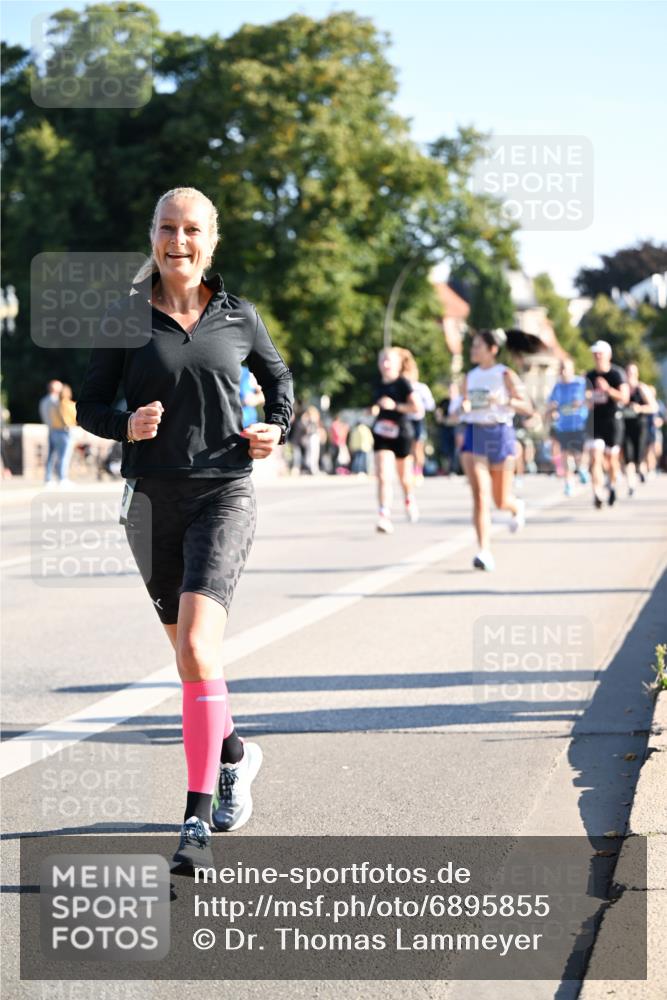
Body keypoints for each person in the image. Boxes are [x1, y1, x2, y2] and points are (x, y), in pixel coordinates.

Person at [76, 186, 293, 873]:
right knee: (189, 659)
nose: (178, 241)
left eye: (191, 229)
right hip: (148, 503)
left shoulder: (238, 316)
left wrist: (274, 429)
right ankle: (234, 756)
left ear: (211, 240)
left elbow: (279, 380)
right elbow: (88, 404)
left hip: (222, 495)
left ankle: (194, 820)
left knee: (199, 648)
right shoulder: (124, 316)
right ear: (153, 237)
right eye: (167, 228)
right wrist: (123, 425)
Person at [459, 329, 532, 572]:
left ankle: (516, 507)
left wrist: (502, 401)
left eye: (478, 346)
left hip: (500, 433)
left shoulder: (505, 374)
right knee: (480, 495)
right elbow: (458, 407)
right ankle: (484, 550)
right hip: (475, 433)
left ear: (493, 349)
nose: (473, 350)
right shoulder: (469, 377)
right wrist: (463, 406)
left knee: (500, 500)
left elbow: (527, 407)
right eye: (473, 346)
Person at [371, 347, 421, 533]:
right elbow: (375, 405)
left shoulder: (403, 384)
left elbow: (416, 407)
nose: (385, 364)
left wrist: (395, 406)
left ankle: (409, 498)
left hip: (401, 433)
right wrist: (374, 410)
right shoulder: (377, 384)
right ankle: (384, 515)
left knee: (404, 478)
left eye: (389, 360)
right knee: (383, 474)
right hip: (382, 432)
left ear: (398, 364)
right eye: (382, 360)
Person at [585, 341, 629, 508]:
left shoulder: (617, 374)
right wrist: (587, 398)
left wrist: (608, 389)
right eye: (594, 353)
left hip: (613, 421)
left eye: (600, 353)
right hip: (594, 421)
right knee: (595, 457)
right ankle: (597, 492)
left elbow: (624, 398)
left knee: (611, 459)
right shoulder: (589, 375)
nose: (597, 356)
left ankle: (611, 485)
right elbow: (585, 399)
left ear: (608, 355)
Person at [547, 358, 589, 496]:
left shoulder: (581, 383)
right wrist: (552, 410)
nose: (563, 371)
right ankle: (569, 484)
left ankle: (582, 468)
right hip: (563, 426)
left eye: (566, 368)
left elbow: (590, 398)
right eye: (561, 368)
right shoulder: (557, 387)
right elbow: (550, 404)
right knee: (565, 454)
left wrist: (582, 402)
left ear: (572, 369)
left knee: (578, 454)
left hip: (579, 424)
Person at [398, 350, 435, 483]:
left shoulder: (421, 388)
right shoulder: (401, 387)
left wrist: (420, 404)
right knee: (407, 448)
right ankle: (407, 471)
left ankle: (418, 471)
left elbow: (431, 405)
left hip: (418, 420)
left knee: (418, 447)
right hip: (405, 420)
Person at [622, 363, 652, 495]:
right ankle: (631, 486)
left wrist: (640, 408)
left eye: (632, 373)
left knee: (639, 456)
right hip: (625, 426)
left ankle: (642, 469)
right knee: (628, 457)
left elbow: (653, 407)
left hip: (640, 425)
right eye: (628, 372)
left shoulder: (642, 388)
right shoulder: (622, 389)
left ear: (637, 374)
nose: (630, 376)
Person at [49, 383, 78, 486]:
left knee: (57, 457)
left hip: (55, 431)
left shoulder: (55, 405)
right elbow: (75, 418)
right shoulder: (70, 405)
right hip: (66, 431)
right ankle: (63, 478)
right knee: (65, 456)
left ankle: (56, 477)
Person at [39, 379, 63, 485]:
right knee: (60, 455)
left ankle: (48, 477)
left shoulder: (43, 401)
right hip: (58, 430)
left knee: (51, 455)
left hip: (50, 429)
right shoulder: (56, 401)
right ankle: (61, 477)